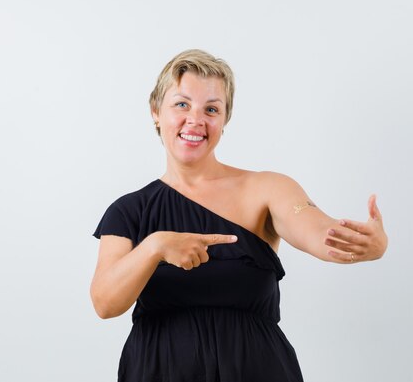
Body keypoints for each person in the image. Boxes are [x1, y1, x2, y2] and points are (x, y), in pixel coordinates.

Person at [91, 49, 388, 382]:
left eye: (212, 109)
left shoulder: (266, 188)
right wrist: (155, 246)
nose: (196, 120)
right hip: (158, 370)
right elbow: (105, 302)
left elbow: (318, 232)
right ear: (156, 112)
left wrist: (361, 244)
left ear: (225, 120)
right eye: (182, 104)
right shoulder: (129, 210)